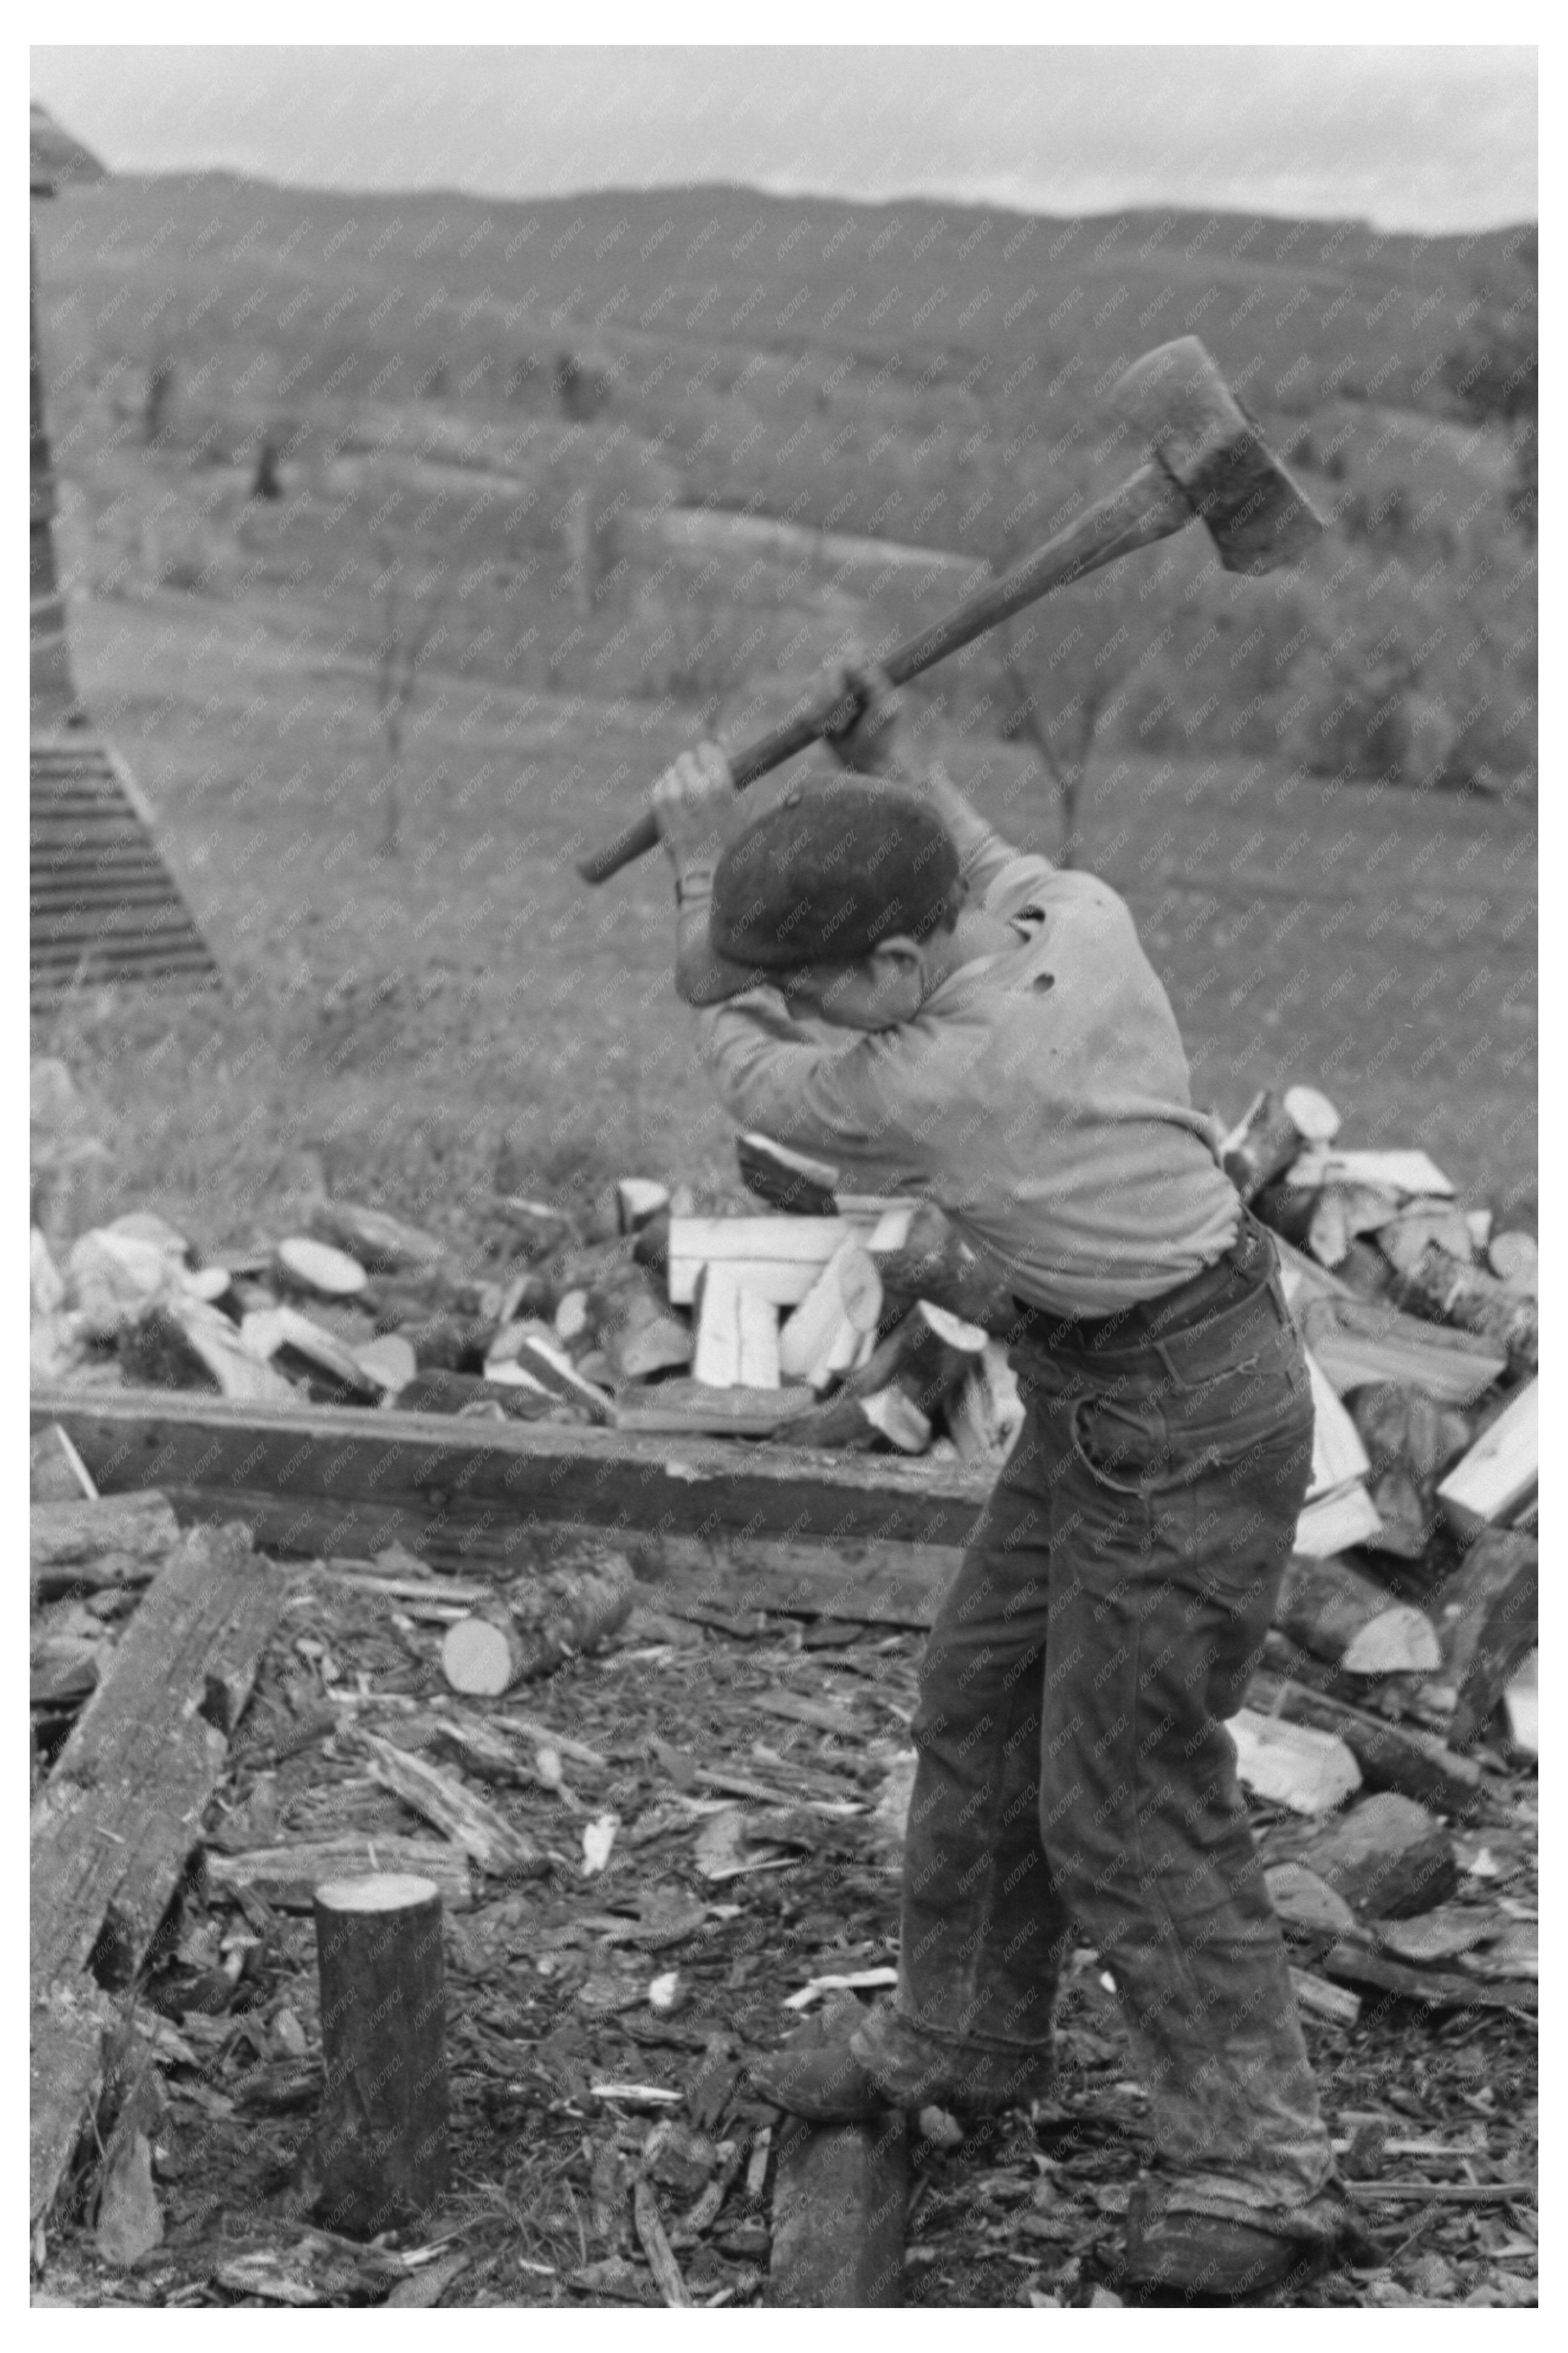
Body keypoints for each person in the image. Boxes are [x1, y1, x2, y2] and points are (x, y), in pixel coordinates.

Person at [648, 662, 1358, 2301]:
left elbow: (739, 1059)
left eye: (817, 986)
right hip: (1121, 1389)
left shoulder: (932, 1078)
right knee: (980, 1697)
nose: (802, 1006)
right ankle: (963, 2035)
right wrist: (895, 751)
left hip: (1183, 1423)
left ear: (897, 968)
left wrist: (698, 874)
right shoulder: (1073, 916)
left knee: (1127, 1786)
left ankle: (1264, 2162)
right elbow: (967, 847)